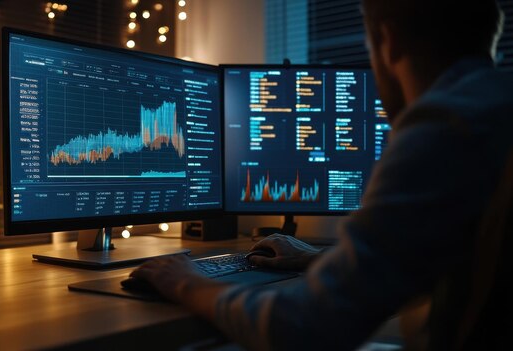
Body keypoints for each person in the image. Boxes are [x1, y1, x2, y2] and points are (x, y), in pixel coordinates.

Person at [131, 0, 513, 349]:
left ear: (389, 40)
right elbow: (423, 256)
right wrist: (317, 259)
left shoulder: (445, 129)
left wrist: (182, 279)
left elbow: (301, 328)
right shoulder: (493, 108)